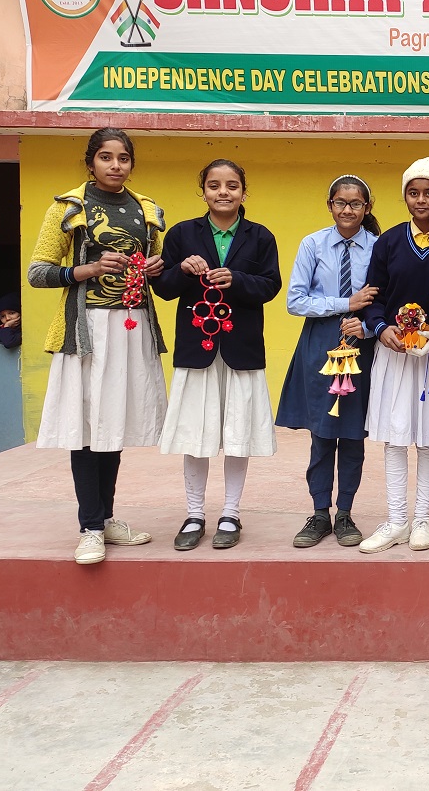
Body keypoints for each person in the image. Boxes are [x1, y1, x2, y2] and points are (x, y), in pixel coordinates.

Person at [27, 127, 164, 564]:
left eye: (123, 158)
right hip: (85, 331)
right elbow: (38, 272)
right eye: (106, 157)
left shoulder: (148, 211)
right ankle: (89, 527)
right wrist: (86, 269)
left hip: (132, 328)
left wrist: (156, 269)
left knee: (113, 423)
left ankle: (105, 518)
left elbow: (153, 273)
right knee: (85, 427)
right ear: (90, 163)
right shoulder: (69, 208)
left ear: (131, 164)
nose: (115, 165)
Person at [154, 159, 281, 551]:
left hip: (242, 348)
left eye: (231, 185)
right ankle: (194, 514)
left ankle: (230, 513)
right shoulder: (181, 233)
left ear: (243, 191)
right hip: (198, 349)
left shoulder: (260, 236)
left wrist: (236, 279)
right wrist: (182, 269)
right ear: (203, 191)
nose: (223, 192)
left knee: (239, 435)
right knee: (195, 434)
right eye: (214, 185)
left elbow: (271, 286)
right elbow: (163, 288)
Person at [359, 156, 429, 553]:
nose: (421, 200)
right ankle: (396, 519)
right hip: (394, 353)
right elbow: (373, 296)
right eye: (413, 192)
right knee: (395, 437)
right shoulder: (388, 242)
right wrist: (380, 328)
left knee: (428, 439)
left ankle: (421, 521)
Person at [276, 175, 380, 549]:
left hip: (362, 344)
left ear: (367, 208)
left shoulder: (379, 247)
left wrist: (365, 326)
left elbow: (385, 299)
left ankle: (345, 513)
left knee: (352, 435)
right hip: (320, 344)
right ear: (330, 205)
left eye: (356, 203)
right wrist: (344, 304)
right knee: (321, 433)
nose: (347, 209)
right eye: (340, 202)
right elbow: (295, 300)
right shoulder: (313, 244)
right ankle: (320, 512)